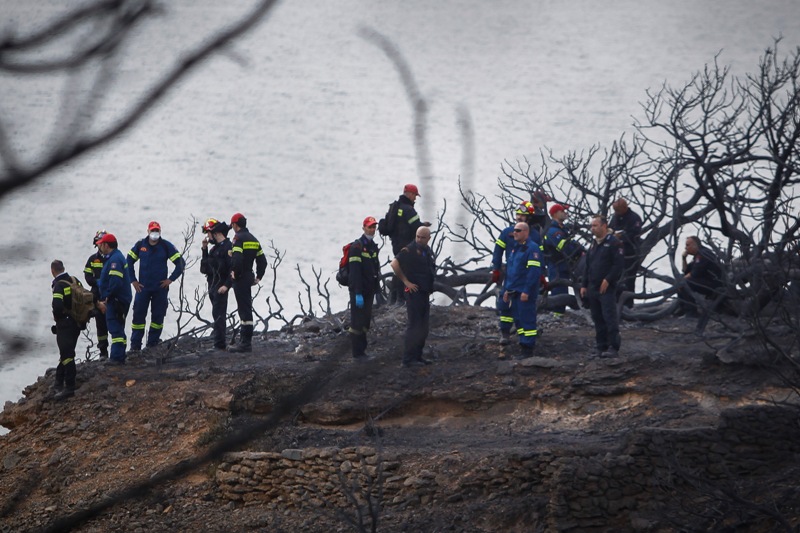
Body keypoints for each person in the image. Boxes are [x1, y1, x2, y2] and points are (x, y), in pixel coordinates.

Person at [490, 201, 543, 345]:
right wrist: (496, 268)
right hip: (511, 274)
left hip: (526, 276)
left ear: (529, 218)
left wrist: (542, 275)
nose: (519, 217)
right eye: (518, 214)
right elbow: (498, 250)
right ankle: (505, 333)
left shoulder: (535, 237)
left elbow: (539, 258)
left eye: (523, 215)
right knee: (505, 304)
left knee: (524, 309)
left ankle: (526, 340)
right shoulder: (507, 232)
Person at [126, 221, 184, 352]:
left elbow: (180, 263)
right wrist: (133, 280)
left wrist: (170, 279)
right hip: (142, 288)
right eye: (152, 231)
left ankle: (152, 344)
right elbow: (128, 261)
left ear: (160, 232)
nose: (154, 233)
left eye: (157, 231)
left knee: (158, 317)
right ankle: (135, 347)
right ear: (148, 231)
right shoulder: (141, 245)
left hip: (160, 289)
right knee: (138, 318)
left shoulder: (166, 246)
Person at [391, 226, 436, 368]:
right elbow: (394, 263)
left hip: (424, 292)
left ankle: (418, 356)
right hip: (414, 293)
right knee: (414, 325)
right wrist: (406, 282)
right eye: (418, 236)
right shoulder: (409, 250)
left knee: (423, 326)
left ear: (429, 238)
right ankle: (408, 359)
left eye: (423, 237)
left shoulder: (426, 251)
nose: (419, 239)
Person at [580, 215, 624, 357]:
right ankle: (601, 345)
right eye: (591, 226)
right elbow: (588, 265)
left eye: (595, 225)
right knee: (597, 317)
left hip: (606, 287)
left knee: (609, 316)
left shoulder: (613, 243)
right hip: (592, 286)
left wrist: (608, 279)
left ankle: (613, 346)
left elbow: (618, 265)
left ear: (604, 226)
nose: (592, 228)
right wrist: (584, 284)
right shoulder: (593, 244)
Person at [501, 222, 543, 358]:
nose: (515, 233)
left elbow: (533, 272)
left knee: (527, 320)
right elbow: (512, 272)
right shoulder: (516, 248)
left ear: (526, 232)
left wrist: (526, 291)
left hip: (525, 292)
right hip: (514, 291)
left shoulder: (532, 248)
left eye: (518, 230)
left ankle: (528, 348)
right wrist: (507, 289)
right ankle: (523, 344)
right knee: (518, 320)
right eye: (514, 231)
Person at [228, 213, 267, 353]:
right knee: (246, 307)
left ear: (234, 225)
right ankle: (245, 341)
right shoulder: (253, 239)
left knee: (244, 309)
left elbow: (237, 259)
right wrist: (259, 276)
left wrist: (235, 273)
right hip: (249, 276)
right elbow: (262, 261)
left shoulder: (238, 238)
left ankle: (245, 343)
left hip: (240, 278)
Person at [387, 184, 431, 304]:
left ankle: (393, 297)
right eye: (415, 196)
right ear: (410, 194)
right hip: (406, 244)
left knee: (398, 269)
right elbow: (416, 226)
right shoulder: (409, 210)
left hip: (395, 244)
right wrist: (424, 226)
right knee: (406, 270)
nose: (415, 199)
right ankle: (401, 298)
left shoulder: (395, 207)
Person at [347, 216, 382, 360]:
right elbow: (355, 272)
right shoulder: (357, 247)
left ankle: (363, 351)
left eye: (374, 227)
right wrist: (357, 293)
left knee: (365, 321)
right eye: (369, 227)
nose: (372, 230)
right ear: (363, 228)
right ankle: (357, 353)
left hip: (369, 290)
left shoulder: (372, 246)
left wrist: (376, 289)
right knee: (357, 323)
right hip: (359, 290)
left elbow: (374, 269)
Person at [96, 233, 133, 365]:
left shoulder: (114, 260)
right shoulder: (114, 257)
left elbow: (115, 282)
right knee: (119, 327)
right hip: (119, 298)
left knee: (115, 327)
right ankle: (120, 355)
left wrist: (107, 296)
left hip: (116, 300)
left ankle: (116, 358)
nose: (99, 247)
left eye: (101, 244)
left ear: (106, 245)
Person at [543, 204, 585, 316]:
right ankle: (557, 314)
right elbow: (564, 248)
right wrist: (577, 249)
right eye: (563, 211)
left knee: (565, 288)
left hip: (565, 265)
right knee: (558, 290)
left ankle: (561, 312)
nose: (566, 213)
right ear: (555, 214)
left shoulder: (563, 229)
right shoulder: (553, 231)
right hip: (556, 265)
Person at [200, 218, 232, 353]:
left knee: (219, 315)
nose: (208, 236)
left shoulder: (228, 247)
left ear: (216, 233)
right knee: (215, 314)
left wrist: (226, 286)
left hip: (221, 286)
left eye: (209, 233)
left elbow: (233, 270)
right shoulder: (214, 249)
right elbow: (203, 269)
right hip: (212, 285)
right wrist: (204, 250)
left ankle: (220, 345)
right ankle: (218, 342)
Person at [50, 260, 81, 400]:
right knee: (67, 352)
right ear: (63, 268)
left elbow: (57, 306)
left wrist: (59, 319)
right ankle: (58, 379)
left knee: (67, 355)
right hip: (77, 323)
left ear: (52, 271)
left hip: (65, 325)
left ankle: (69, 387)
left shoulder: (58, 286)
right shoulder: (74, 280)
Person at [677, 236, 725, 317]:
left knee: (685, 282)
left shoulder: (703, 254)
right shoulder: (697, 255)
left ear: (695, 245)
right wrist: (684, 258)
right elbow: (686, 271)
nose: (686, 248)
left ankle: (691, 311)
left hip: (714, 284)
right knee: (682, 279)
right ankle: (682, 308)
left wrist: (680, 282)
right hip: (705, 281)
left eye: (688, 245)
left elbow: (693, 274)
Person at [609, 198, 643, 308]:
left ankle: (628, 304)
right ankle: (616, 301)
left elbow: (635, 234)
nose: (616, 213)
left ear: (624, 208)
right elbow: (611, 228)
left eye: (618, 210)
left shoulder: (634, 218)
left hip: (630, 253)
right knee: (616, 278)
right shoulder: (615, 217)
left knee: (629, 280)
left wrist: (622, 236)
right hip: (617, 253)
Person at [83, 230, 109, 358]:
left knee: (115, 322)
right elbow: (87, 276)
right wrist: (96, 282)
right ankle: (103, 352)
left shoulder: (113, 257)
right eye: (100, 243)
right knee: (100, 325)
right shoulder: (93, 259)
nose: (102, 246)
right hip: (97, 295)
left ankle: (118, 351)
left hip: (111, 294)